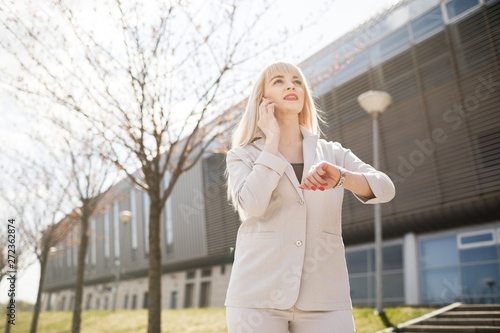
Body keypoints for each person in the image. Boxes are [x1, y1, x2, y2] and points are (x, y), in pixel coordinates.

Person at [225, 61, 395, 333]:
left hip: (324, 294)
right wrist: (271, 142)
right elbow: (252, 206)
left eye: (297, 80)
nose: (291, 85)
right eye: (278, 81)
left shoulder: (332, 152)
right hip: (257, 295)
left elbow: (385, 188)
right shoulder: (242, 155)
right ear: (262, 99)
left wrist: (342, 177)